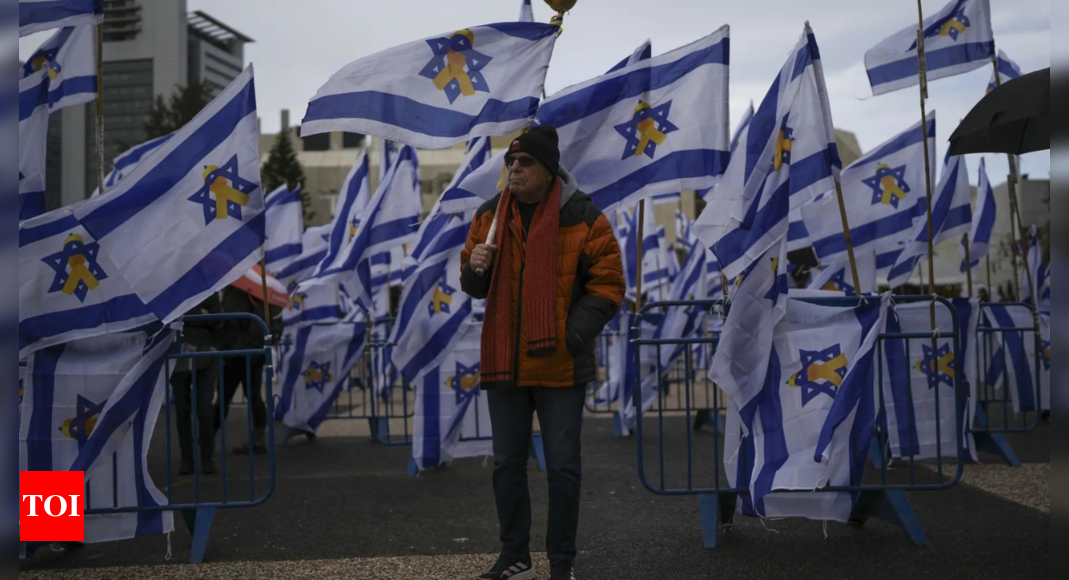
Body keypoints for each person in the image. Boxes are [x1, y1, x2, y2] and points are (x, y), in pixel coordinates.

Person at [461, 126, 625, 580]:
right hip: (505, 363)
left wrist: (570, 336)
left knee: (564, 468)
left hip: (559, 365)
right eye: (510, 163)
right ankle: (515, 555)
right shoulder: (489, 215)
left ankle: (561, 563)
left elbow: (609, 285)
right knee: (507, 464)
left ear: (548, 170)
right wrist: (475, 267)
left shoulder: (584, 216)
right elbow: (473, 284)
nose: (514, 170)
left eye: (525, 163)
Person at [214, 286, 281, 455]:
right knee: (252, 396)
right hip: (252, 355)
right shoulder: (265, 295)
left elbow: (226, 321)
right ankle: (258, 439)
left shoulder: (236, 294)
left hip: (236, 354)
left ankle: (206, 440)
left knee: (225, 398)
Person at [172, 294, 221, 475]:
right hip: (179, 355)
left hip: (205, 355)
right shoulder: (175, 286)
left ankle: (207, 458)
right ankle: (187, 460)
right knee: (182, 410)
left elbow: (216, 319)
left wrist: (187, 315)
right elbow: (171, 315)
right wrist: (200, 313)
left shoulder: (211, 287)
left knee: (204, 410)